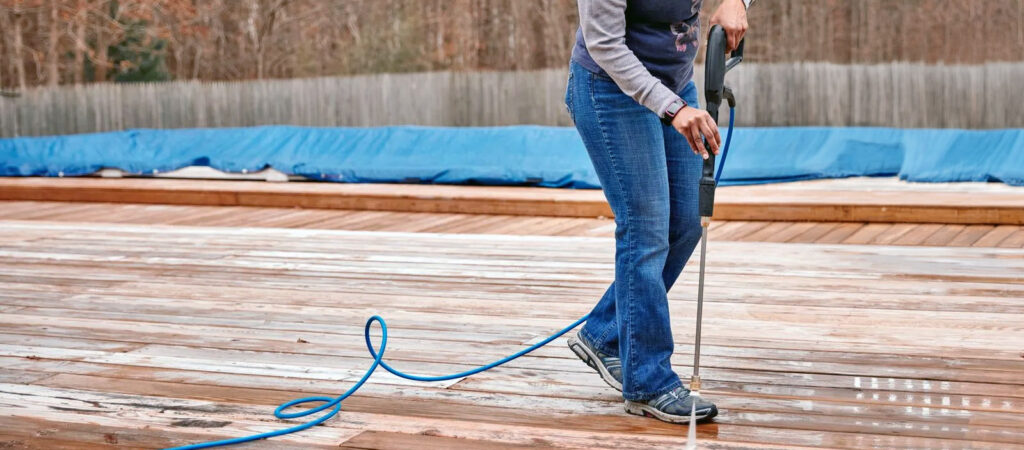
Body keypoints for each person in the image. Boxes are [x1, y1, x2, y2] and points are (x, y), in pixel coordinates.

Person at [564, 0, 752, 424]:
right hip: (609, 88)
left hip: (674, 82)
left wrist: (736, 1)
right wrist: (674, 110)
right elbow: (605, 45)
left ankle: (605, 334)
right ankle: (648, 381)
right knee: (645, 232)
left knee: (686, 222)